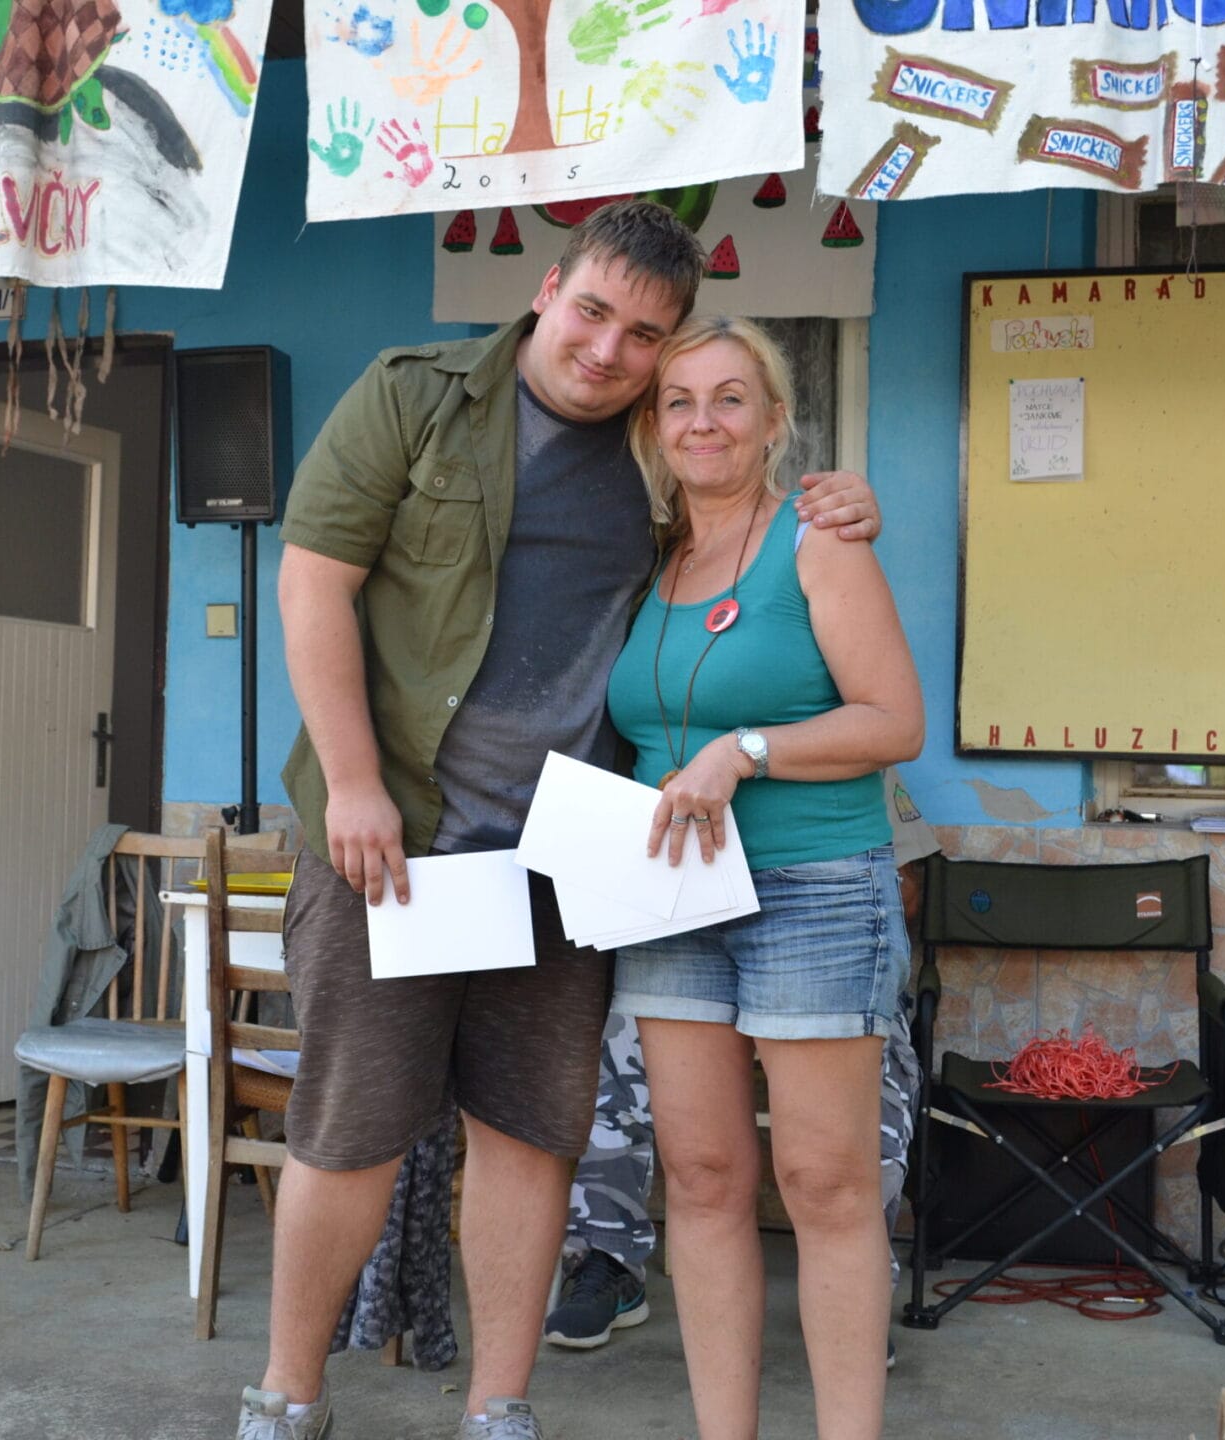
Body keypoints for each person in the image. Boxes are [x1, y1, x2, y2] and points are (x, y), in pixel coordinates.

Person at [240, 202, 883, 1440]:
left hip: (560, 864)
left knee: (530, 1137)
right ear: (548, 289)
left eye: (645, 336)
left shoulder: (653, 450)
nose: (608, 350)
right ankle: (287, 1395)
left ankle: (500, 1404)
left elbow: (743, 523)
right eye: (593, 312)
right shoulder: (414, 397)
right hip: (397, 844)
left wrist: (841, 503)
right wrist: (354, 780)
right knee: (349, 1130)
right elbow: (314, 579)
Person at [601, 315, 922, 1440]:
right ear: (654, 426)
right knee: (698, 1177)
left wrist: (744, 751)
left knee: (826, 1186)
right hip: (672, 892)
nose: (704, 422)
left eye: (730, 398)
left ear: (775, 421)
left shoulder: (817, 540)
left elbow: (895, 721)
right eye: (680, 401)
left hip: (813, 887)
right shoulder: (649, 560)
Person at [544, 771, 936, 1355]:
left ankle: (855, 1288)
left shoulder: (841, 745)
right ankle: (606, 1257)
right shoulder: (661, 744)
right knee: (619, 1043)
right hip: (683, 949)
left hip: (818, 956)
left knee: (881, 1070)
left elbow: (909, 891)